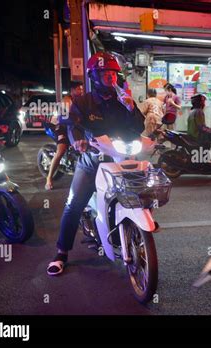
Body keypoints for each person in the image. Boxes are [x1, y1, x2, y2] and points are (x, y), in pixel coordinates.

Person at [47, 52, 145, 276]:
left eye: (113, 74)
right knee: (74, 204)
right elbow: (73, 125)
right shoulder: (83, 102)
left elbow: (138, 128)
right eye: (105, 74)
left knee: (139, 197)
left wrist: (131, 108)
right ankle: (61, 252)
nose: (110, 78)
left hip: (121, 159)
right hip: (93, 161)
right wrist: (78, 141)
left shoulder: (124, 99)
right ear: (95, 76)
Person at [45, 81, 84, 190]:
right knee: (61, 150)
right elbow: (70, 112)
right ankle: (49, 178)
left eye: (81, 89)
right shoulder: (67, 100)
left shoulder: (81, 100)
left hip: (72, 126)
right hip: (61, 126)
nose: (81, 91)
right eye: (78, 89)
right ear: (72, 90)